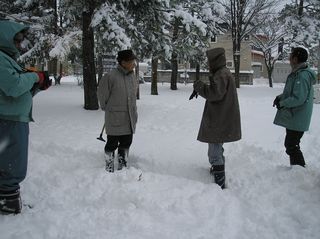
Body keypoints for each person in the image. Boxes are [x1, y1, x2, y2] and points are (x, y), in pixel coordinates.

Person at [0, 20, 51, 214]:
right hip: (8, 120)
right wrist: (35, 77)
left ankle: (8, 198)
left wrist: (37, 87)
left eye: (22, 40)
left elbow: (16, 91)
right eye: (17, 39)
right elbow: (13, 87)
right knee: (13, 164)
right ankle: (7, 203)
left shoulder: (7, 59)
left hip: (13, 117)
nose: (21, 44)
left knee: (10, 161)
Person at [191, 47, 241, 189]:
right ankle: (217, 169)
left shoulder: (221, 74)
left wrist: (199, 86)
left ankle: (219, 181)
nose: (208, 63)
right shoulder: (223, 73)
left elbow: (214, 94)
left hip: (220, 117)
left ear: (215, 60)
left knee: (214, 149)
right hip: (222, 115)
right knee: (217, 146)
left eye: (209, 60)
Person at [273, 47, 316, 167]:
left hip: (298, 117)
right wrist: (280, 98)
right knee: (292, 144)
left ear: (295, 59)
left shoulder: (301, 76)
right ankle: (296, 170)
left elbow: (298, 98)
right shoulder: (298, 74)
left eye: (290, 56)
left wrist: (282, 104)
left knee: (291, 145)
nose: (289, 58)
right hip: (295, 117)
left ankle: (300, 170)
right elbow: (292, 93)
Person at [97, 49, 138, 173]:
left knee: (126, 142)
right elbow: (102, 96)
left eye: (133, 60)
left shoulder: (132, 76)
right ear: (123, 62)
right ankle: (109, 165)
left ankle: (123, 165)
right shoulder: (110, 76)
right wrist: (110, 110)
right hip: (114, 118)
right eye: (131, 61)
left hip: (129, 117)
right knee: (112, 144)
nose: (134, 63)